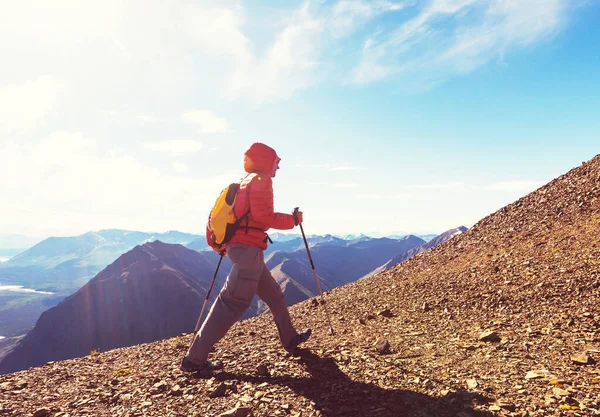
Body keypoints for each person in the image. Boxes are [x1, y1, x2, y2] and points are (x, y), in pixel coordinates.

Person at [181, 142, 312, 374]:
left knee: (274, 295)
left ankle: (290, 339)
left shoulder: (243, 183)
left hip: (243, 249)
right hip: (248, 250)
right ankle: (194, 360)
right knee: (231, 303)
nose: (278, 168)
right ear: (266, 161)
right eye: (277, 162)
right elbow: (264, 217)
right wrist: (293, 220)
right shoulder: (261, 181)